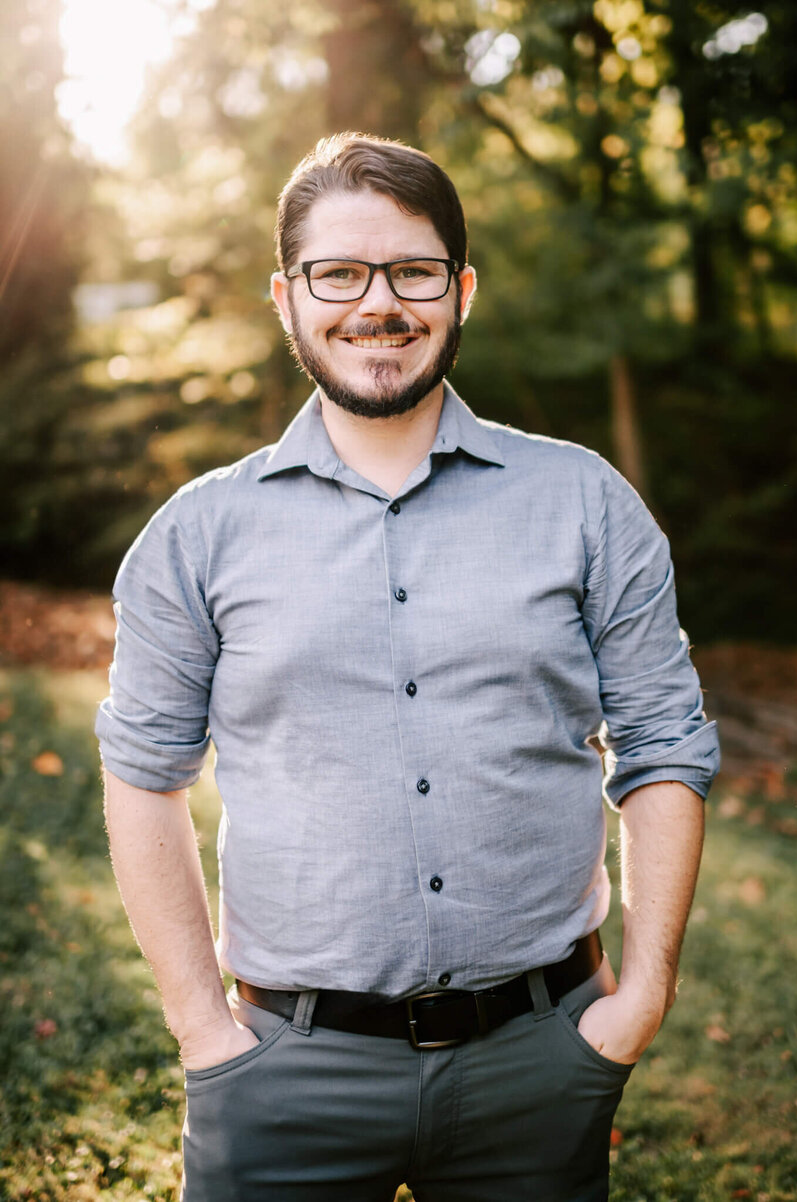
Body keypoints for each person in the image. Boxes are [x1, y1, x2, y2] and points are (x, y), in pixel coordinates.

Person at [96, 132, 720, 1202]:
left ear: (460, 289)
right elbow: (145, 772)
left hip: (540, 1057)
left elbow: (663, 744)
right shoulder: (196, 534)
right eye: (337, 272)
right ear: (286, 297)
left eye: (412, 270)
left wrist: (639, 999)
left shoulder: (582, 502)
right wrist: (201, 1025)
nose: (375, 303)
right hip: (282, 1068)